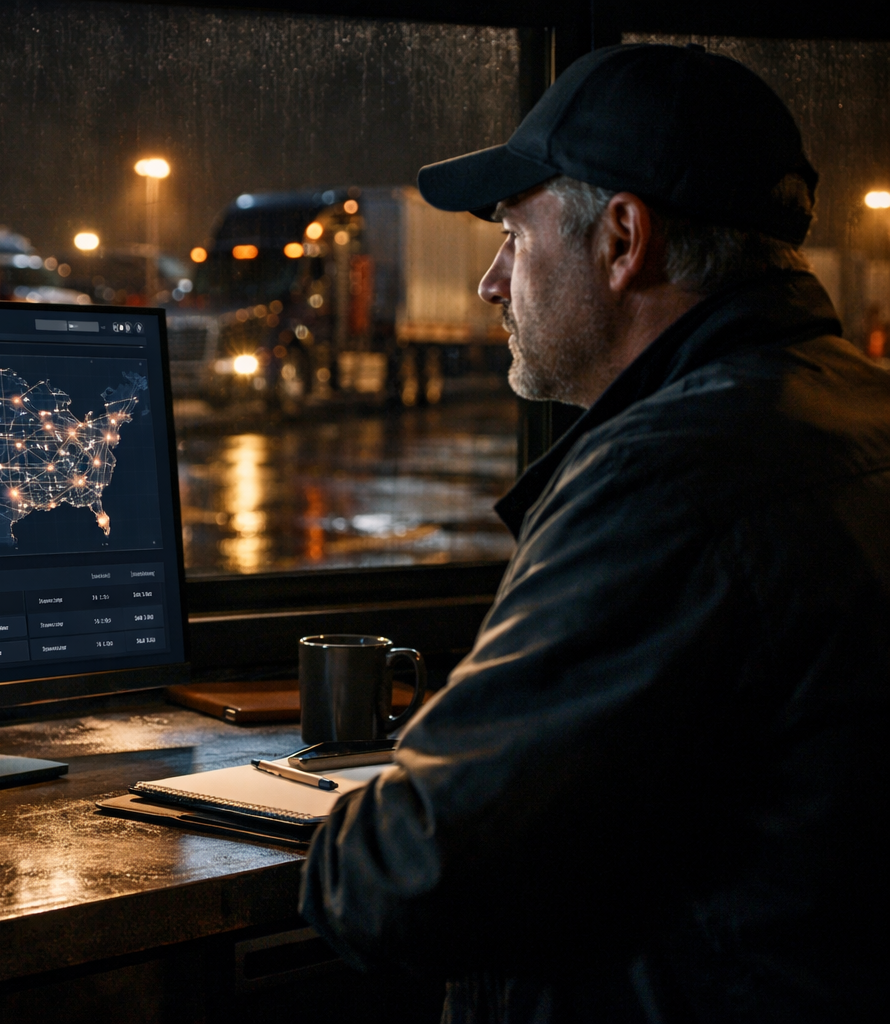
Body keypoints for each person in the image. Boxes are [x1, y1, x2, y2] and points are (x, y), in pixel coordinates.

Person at [300, 44, 888, 1022]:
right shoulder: (855, 410)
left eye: (514, 238)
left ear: (623, 240)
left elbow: (405, 876)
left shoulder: (673, 475)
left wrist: (354, 819)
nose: (492, 283)